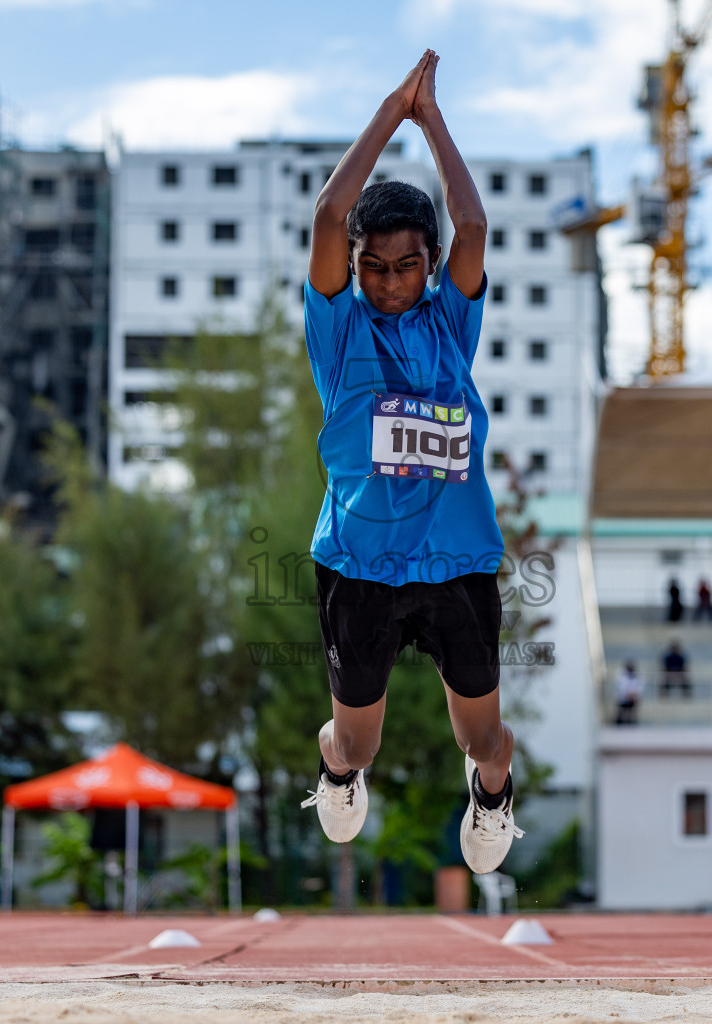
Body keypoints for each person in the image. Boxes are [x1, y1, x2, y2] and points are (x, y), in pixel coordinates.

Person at [297, 52, 521, 874]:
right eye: (374, 266)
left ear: (430, 267)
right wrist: (394, 110)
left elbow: (476, 227)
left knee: (482, 738)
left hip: (456, 561)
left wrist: (435, 123)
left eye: (407, 265)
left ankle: (493, 795)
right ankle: (335, 773)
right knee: (356, 741)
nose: (390, 282)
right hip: (359, 563)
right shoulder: (339, 332)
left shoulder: (449, 325)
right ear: (354, 267)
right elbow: (329, 214)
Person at [614, 661, 642, 725]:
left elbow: (639, 686)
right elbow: (620, 686)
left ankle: (631, 721)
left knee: (632, 709)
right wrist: (628, 694)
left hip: (633, 697)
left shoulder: (637, 675)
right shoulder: (621, 674)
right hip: (623, 697)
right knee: (622, 709)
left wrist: (633, 694)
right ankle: (619, 722)